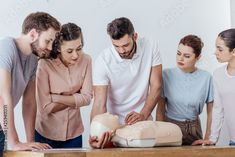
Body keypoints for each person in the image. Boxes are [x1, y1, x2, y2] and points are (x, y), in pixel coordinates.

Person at [90, 17, 162, 148]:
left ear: (135, 36)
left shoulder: (151, 45)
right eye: (116, 46)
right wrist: (94, 134)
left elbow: (156, 86)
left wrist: (143, 114)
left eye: (125, 45)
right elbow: (99, 103)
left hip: (143, 122)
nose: (122, 51)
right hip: (113, 128)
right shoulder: (103, 61)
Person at [0, 12, 60, 150]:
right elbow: (2, 98)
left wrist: (31, 142)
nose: (51, 47)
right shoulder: (6, 47)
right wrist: (14, 141)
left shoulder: (33, 60)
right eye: (48, 41)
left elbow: (29, 102)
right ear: (33, 34)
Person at [35, 23, 92, 148]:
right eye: (70, 51)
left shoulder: (86, 60)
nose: (76, 55)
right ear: (59, 48)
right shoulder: (44, 64)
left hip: (74, 133)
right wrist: (75, 97)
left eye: (79, 48)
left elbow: (87, 98)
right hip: (45, 134)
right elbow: (45, 108)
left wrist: (55, 97)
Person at [156, 35, 213, 145]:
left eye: (186, 56)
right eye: (178, 53)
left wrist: (208, 138)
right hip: (170, 129)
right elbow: (160, 110)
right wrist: (159, 135)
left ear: (198, 57)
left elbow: (211, 112)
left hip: (194, 130)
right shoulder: (166, 75)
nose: (180, 59)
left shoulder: (206, 78)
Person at [193, 29, 235, 146]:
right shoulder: (218, 74)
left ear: (234, 51)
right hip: (233, 142)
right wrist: (212, 138)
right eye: (216, 48)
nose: (215, 52)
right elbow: (218, 109)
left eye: (220, 49)